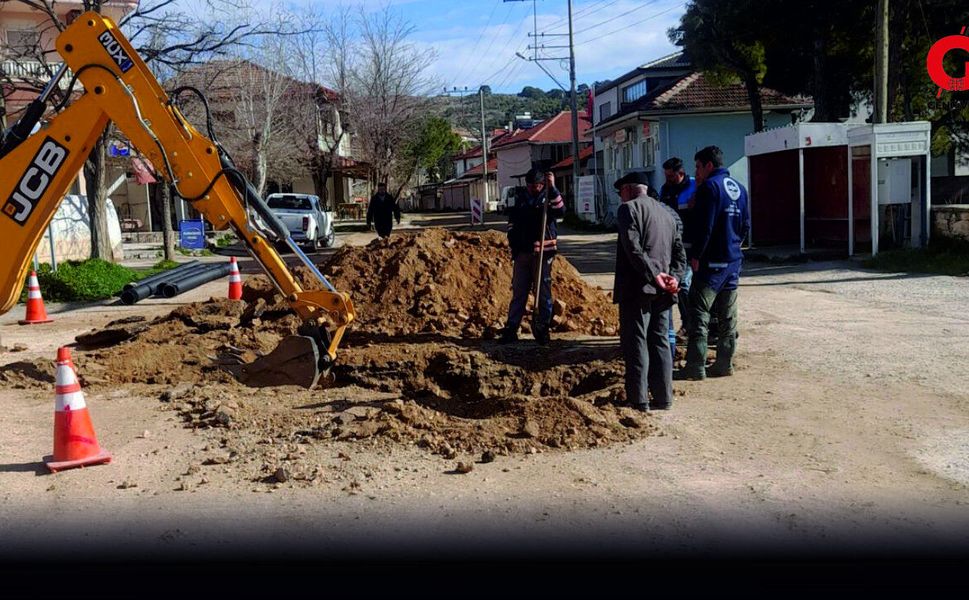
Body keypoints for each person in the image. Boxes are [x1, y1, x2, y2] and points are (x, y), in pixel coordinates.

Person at [613, 171, 686, 412]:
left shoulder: (628, 210)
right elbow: (679, 255)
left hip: (638, 289)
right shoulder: (667, 213)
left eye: (621, 191)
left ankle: (639, 399)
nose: (620, 196)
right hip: (664, 292)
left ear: (629, 189)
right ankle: (664, 398)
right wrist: (673, 279)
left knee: (636, 343)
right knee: (661, 342)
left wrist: (653, 275)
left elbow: (633, 249)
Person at [677, 146, 750, 380]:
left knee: (700, 312)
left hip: (711, 262)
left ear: (709, 165)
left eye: (698, 167)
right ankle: (724, 363)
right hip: (732, 261)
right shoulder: (740, 189)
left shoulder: (710, 187)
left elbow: (705, 226)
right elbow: (746, 226)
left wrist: (696, 255)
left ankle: (695, 366)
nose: (696, 172)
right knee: (728, 316)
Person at [498, 167, 565, 346]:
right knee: (519, 291)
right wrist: (513, 241)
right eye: (530, 186)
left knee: (543, 292)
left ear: (542, 184)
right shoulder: (521, 199)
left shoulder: (548, 197)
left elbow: (561, 211)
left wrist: (553, 189)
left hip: (544, 253)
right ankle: (512, 328)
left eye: (536, 186)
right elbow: (512, 221)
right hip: (522, 253)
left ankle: (542, 327)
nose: (532, 189)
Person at [659, 157, 697, 343]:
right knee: (678, 286)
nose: (667, 179)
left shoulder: (694, 187)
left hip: (692, 247)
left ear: (681, 173)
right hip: (672, 247)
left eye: (671, 176)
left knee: (684, 286)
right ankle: (689, 324)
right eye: (666, 175)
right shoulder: (665, 190)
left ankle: (691, 325)